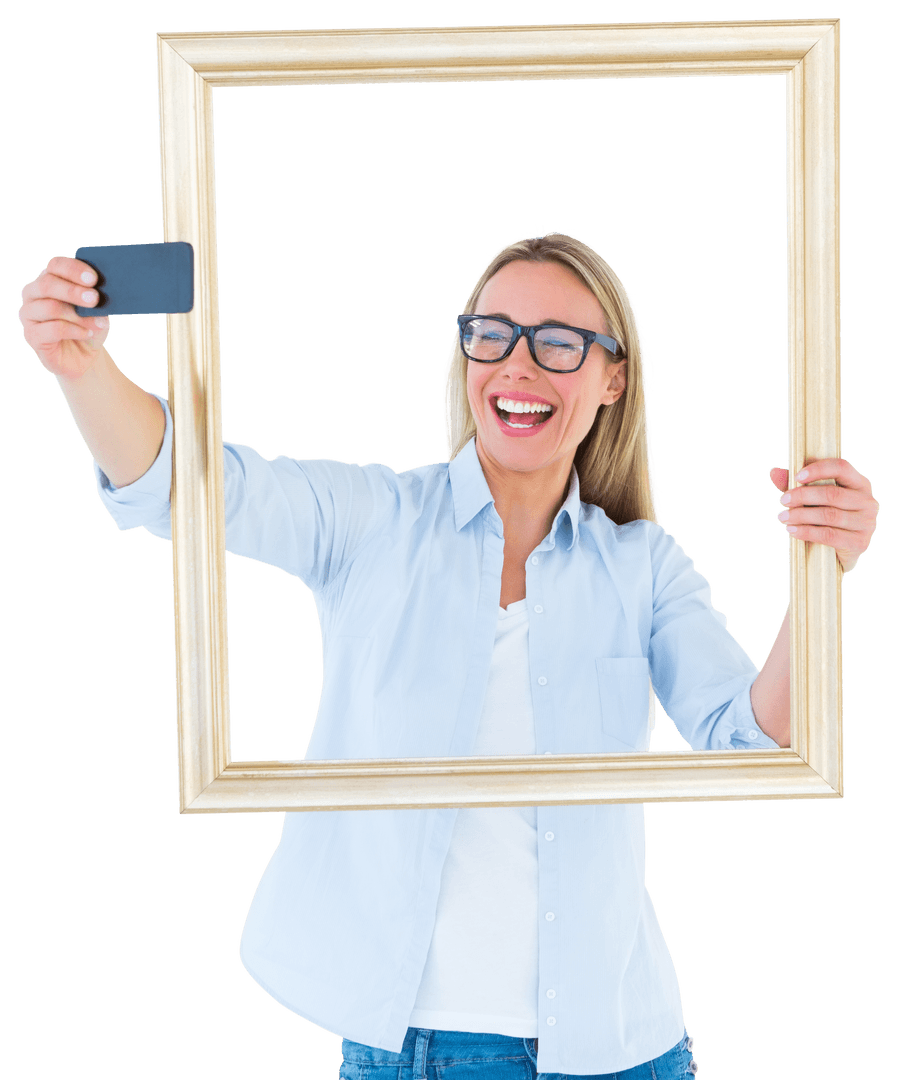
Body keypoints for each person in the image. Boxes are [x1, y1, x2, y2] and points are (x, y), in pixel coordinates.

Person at [18, 232, 879, 1079]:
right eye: (491, 334)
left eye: (561, 344)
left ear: (615, 377)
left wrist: (822, 573)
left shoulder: (642, 564)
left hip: (625, 1048)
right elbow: (193, 486)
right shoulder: (376, 522)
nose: (518, 366)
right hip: (426, 1050)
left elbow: (753, 745)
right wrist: (84, 368)